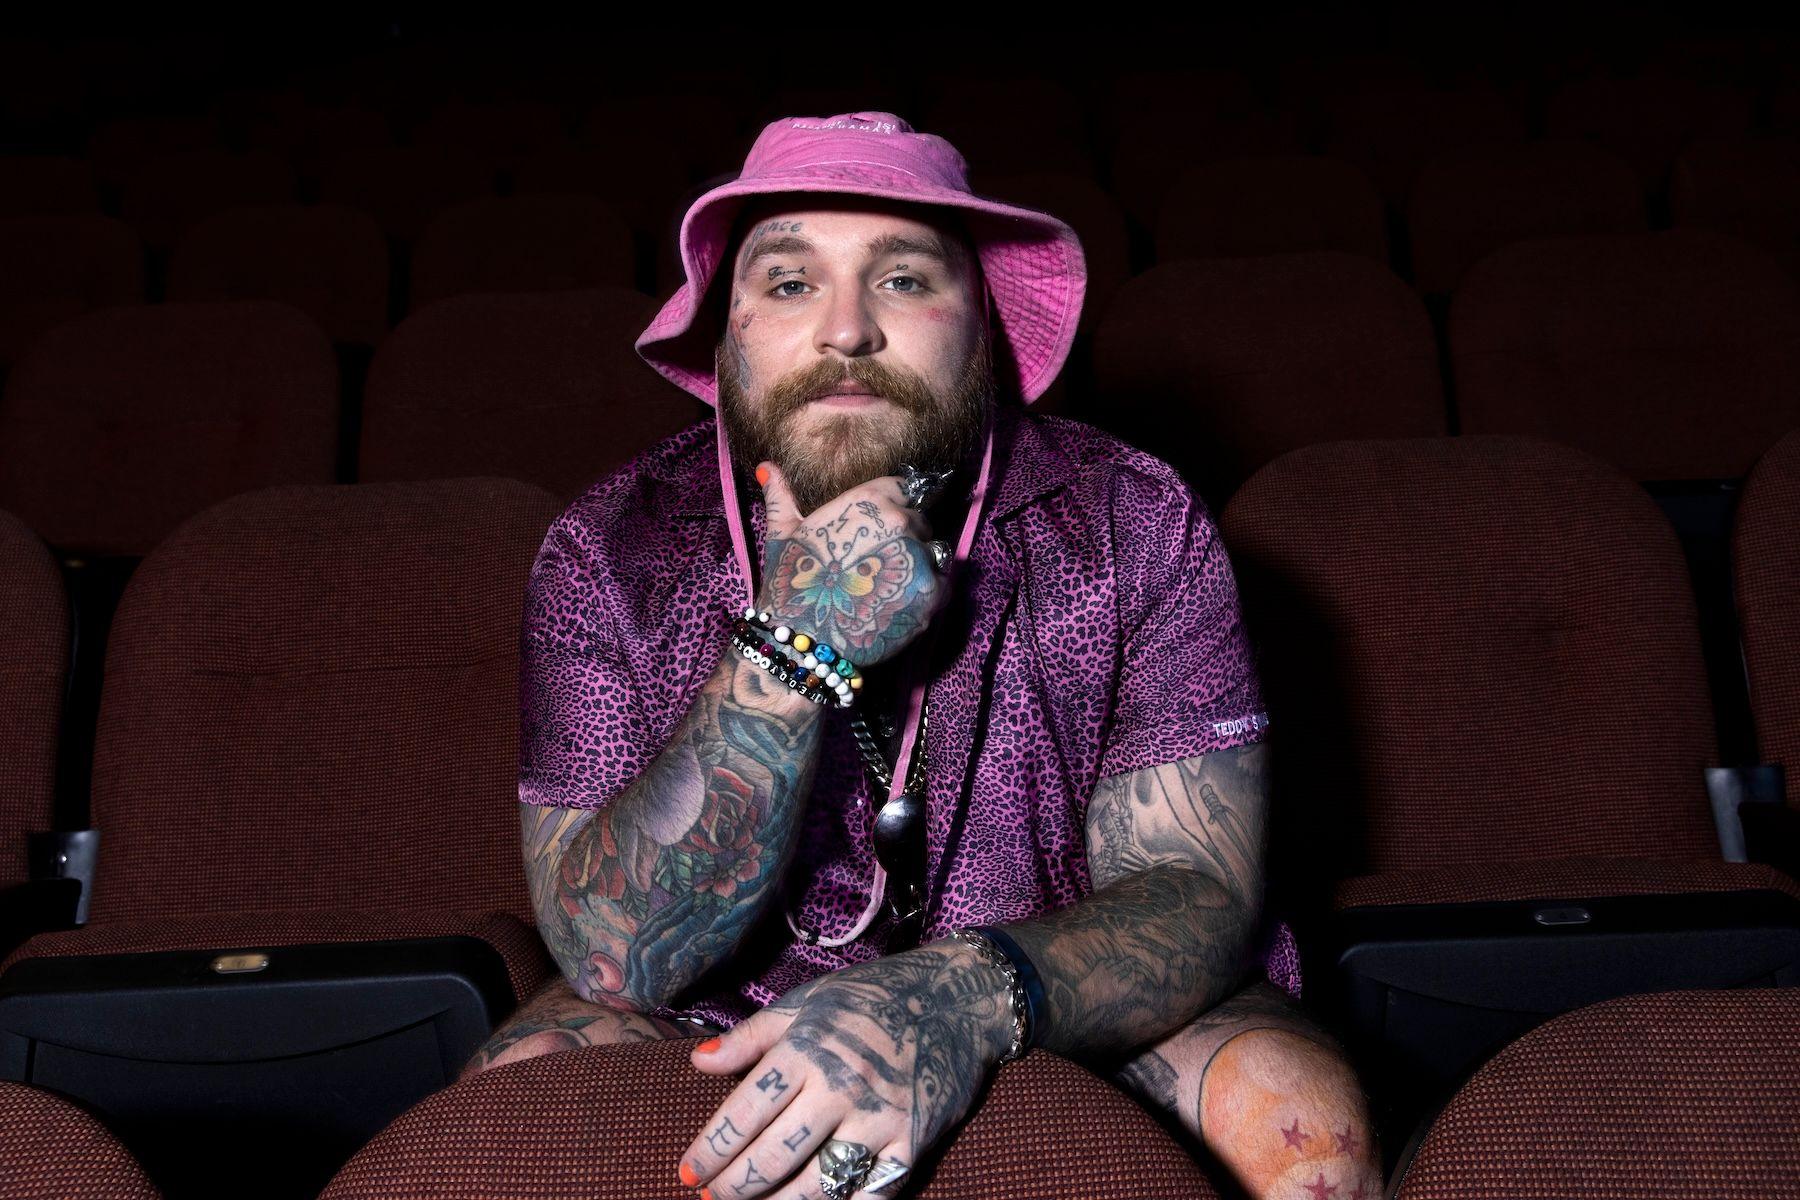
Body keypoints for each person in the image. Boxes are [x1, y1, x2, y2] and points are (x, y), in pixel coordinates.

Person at [467, 112, 1383, 1200]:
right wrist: (795, 646)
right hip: (706, 1000)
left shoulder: (1131, 517)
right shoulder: (611, 549)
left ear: (981, 329)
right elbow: (619, 957)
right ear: (728, 335)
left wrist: (958, 993)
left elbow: (1195, 893)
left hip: (1053, 977)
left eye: (903, 280)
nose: (847, 331)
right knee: (507, 1114)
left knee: (1302, 1131)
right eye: (791, 283)